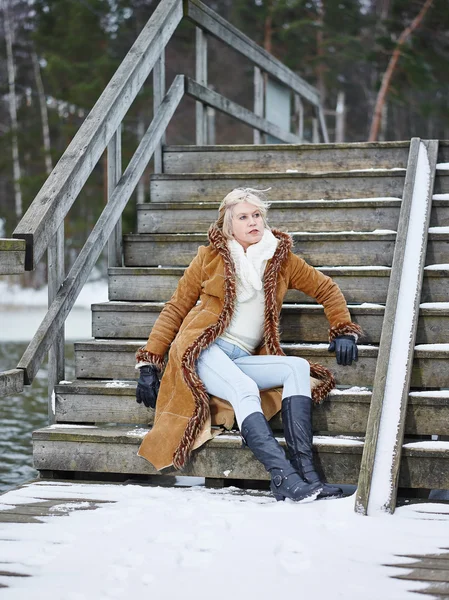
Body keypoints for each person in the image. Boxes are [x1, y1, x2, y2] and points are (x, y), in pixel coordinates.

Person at [135, 188, 362, 503]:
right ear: (229, 224)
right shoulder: (209, 258)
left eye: (257, 215)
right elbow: (175, 308)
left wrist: (342, 328)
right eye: (244, 217)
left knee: (296, 367)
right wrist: (149, 362)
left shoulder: (280, 259)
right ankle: (282, 478)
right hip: (203, 352)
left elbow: (326, 288)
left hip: (240, 357)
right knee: (244, 388)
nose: (253, 222)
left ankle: (307, 474)